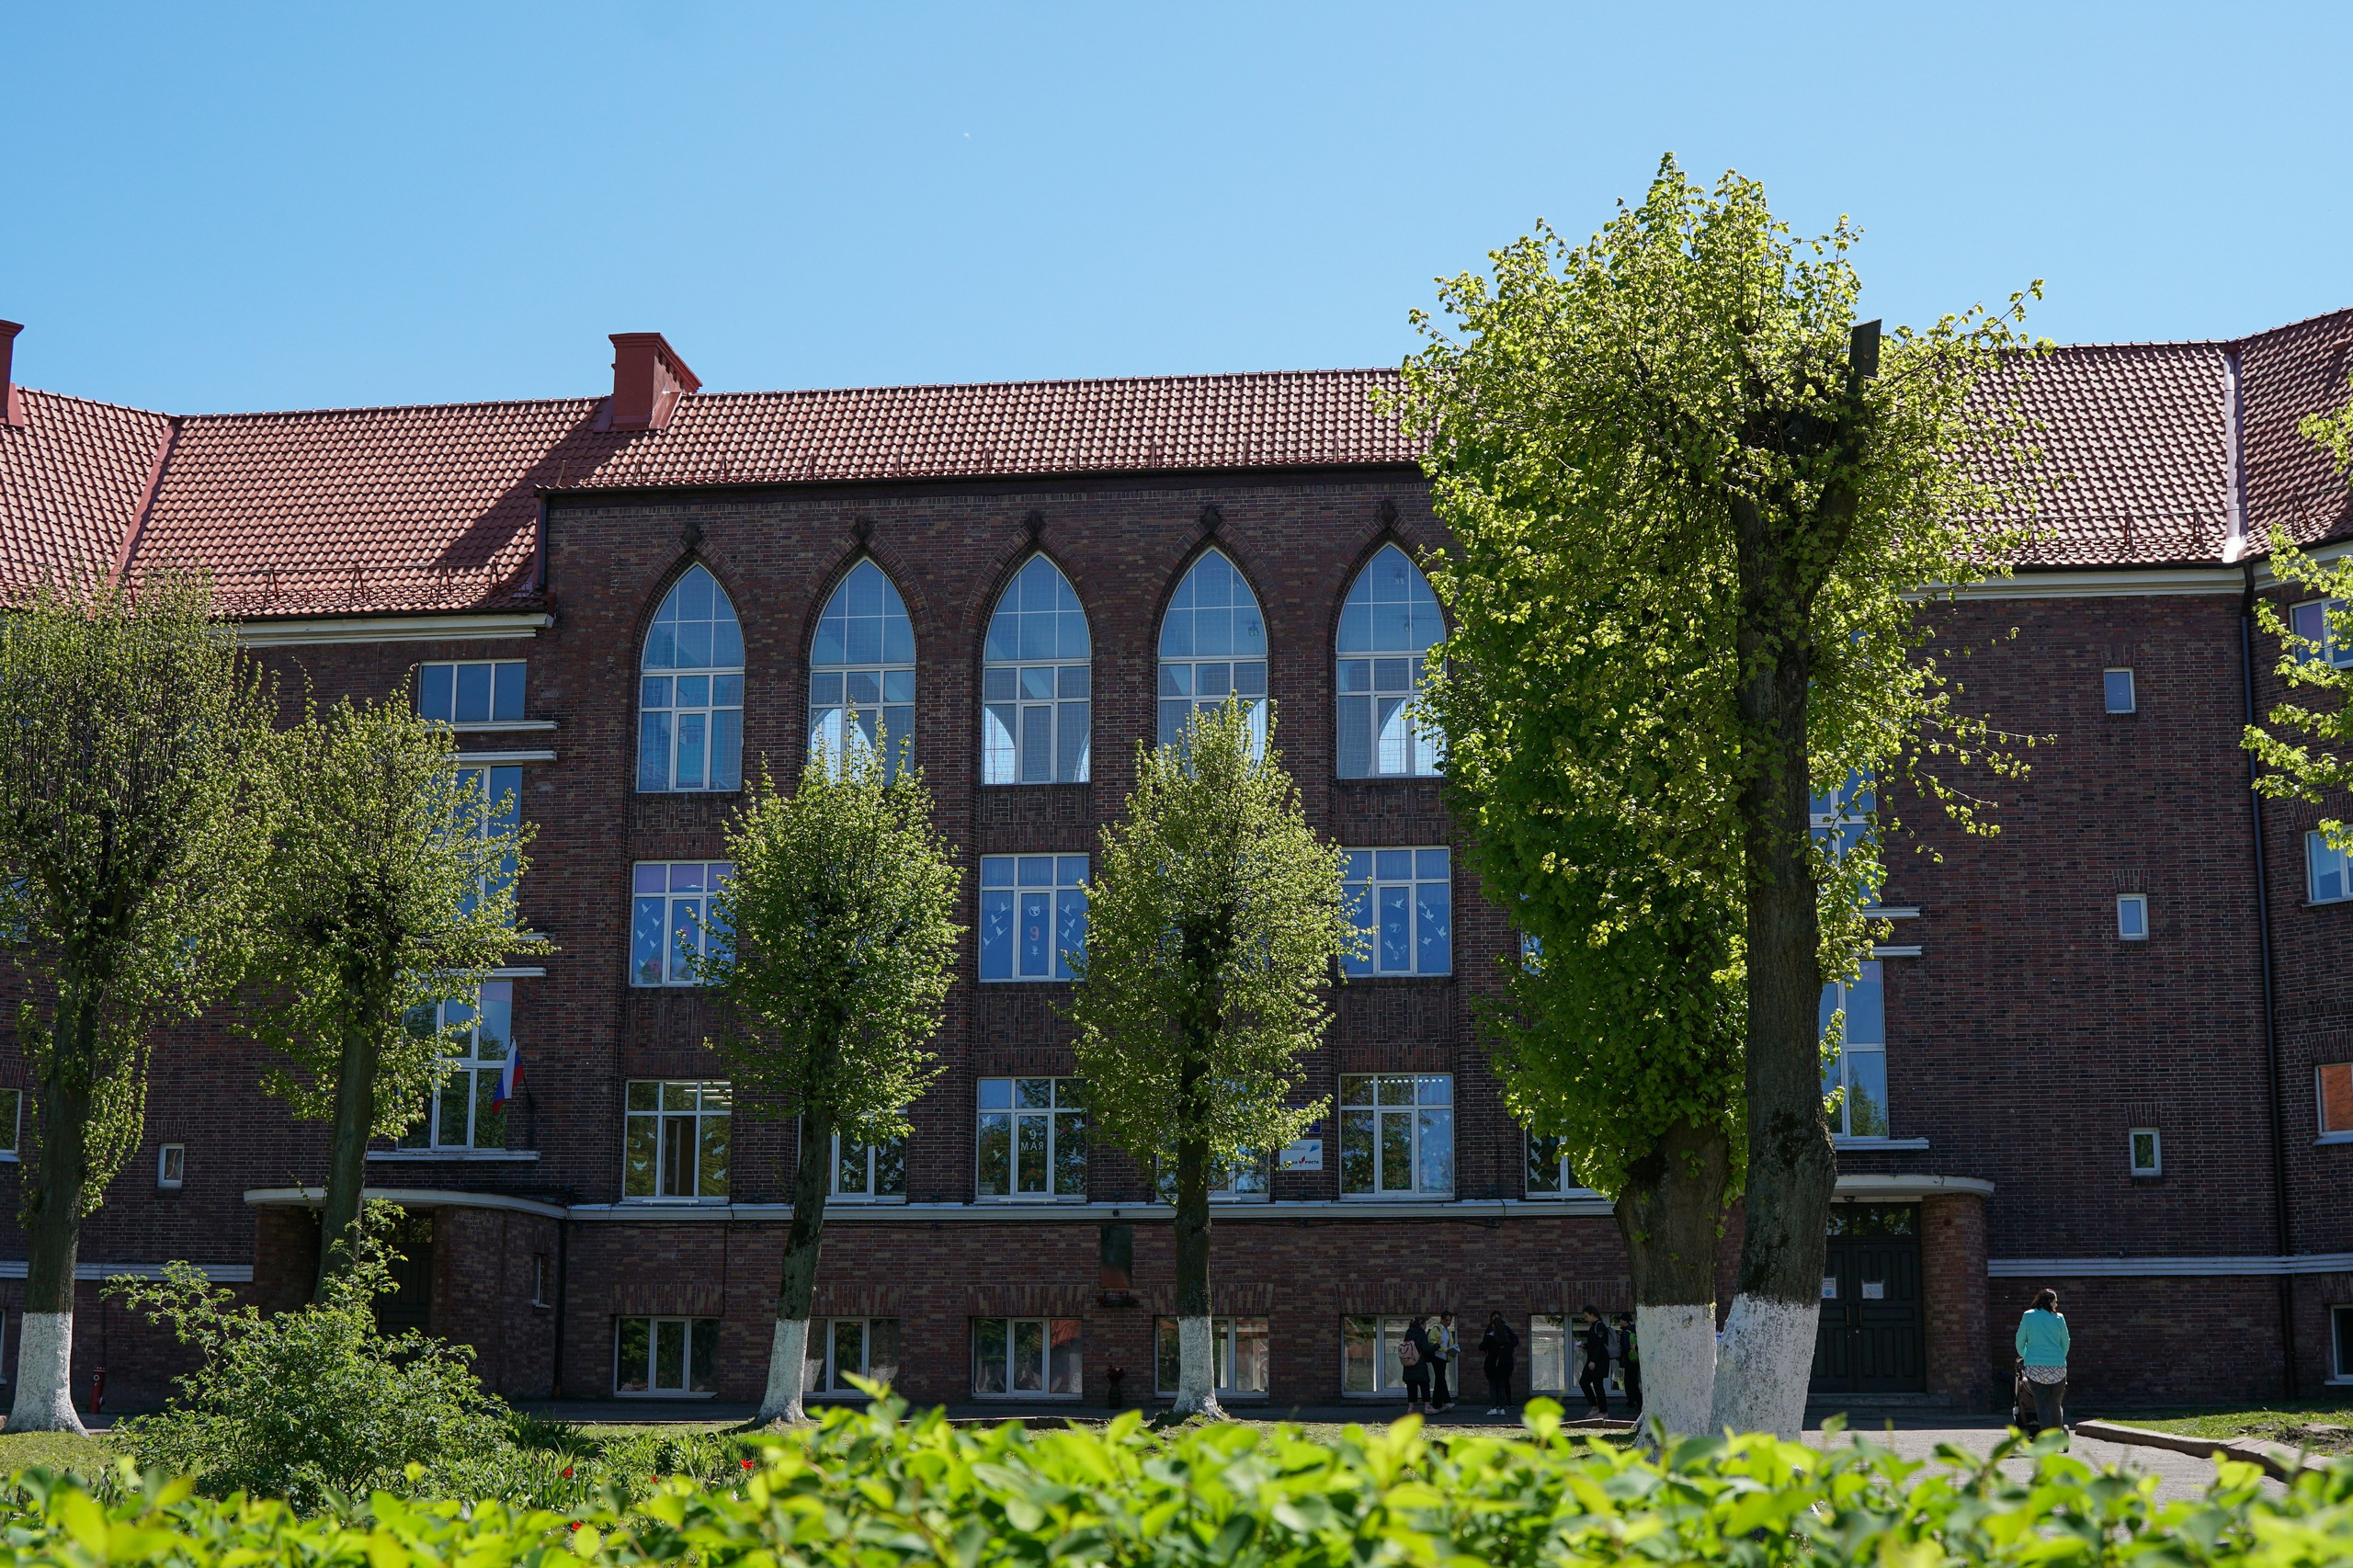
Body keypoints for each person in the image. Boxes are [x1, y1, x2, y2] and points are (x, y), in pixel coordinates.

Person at [2015, 1288, 2071, 1442]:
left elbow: (2020, 1341)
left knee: (2042, 1405)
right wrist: (2060, 1358)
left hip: (2036, 1368)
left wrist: (2028, 1356)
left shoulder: (2028, 1316)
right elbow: (2065, 1342)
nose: (2056, 1304)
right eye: (2055, 1301)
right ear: (2049, 1302)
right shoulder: (2059, 1318)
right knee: (2055, 1403)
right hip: (2058, 1368)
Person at [1576, 1304, 1612, 1418]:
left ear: (1592, 1314)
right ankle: (1598, 1408)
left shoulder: (1599, 1326)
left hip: (1598, 1361)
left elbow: (1600, 1345)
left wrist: (1594, 1360)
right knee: (1591, 1384)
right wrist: (1584, 1346)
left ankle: (1601, 1410)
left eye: (1586, 1316)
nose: (1585, 1319)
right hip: (1594, 1359)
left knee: (1592, 1384)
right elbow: (1594, 1344)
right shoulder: (1594, 1326)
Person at [1480, 1312, 1518, 1414]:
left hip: (1492, 1364)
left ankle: (1493, 1407)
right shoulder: (1505, 1337)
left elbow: (1482, 1346)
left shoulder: (1490, 1336)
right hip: (1504, 1364)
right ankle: (1502, 1408)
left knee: (1493, 1385)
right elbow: (1514, 1341)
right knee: (1502, 1385)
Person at [1400, 1314, 1435, 1415]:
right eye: (1425, 1324)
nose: (1425, 1326)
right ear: (1421, 1324)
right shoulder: (1421, 1334)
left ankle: (1411, 1408)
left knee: (1411, 1385)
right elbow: (1425, 1349)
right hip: (1419, 1363)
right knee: (1424, 1385)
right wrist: (1436, 1346)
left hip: (1409, 1363)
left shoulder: (1408, 1333)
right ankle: (1427, 1406)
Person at [1430, 1311, 1460, 1413]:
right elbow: (1432, 1341)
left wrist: (1451, 1351)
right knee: (1440, 1378)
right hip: (1437, 1356)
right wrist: (1444, 1349)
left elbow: (1448, 1344)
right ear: (1441, 1320)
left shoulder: (1448, 1331)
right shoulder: (1436, 1329)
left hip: (1444, 1357)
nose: (1448, 1322)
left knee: (1439, 1380)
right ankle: (1446, 1400)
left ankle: (1437, 1403)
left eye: (1450, 1320)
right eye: (1446, 1320)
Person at [1615, 1311, 1642, 1417]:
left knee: (1630, 1384)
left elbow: (1625, 1348)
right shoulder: (1636, 1330)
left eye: (1620, 1320)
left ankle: (1634, 1404)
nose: (1619, 1323)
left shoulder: (1626, 1333)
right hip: (1636, 1360)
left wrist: (1619, 1355)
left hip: (1629, 1362)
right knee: (1634, 1383)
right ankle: (1636, 1404)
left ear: (1624, 1321)